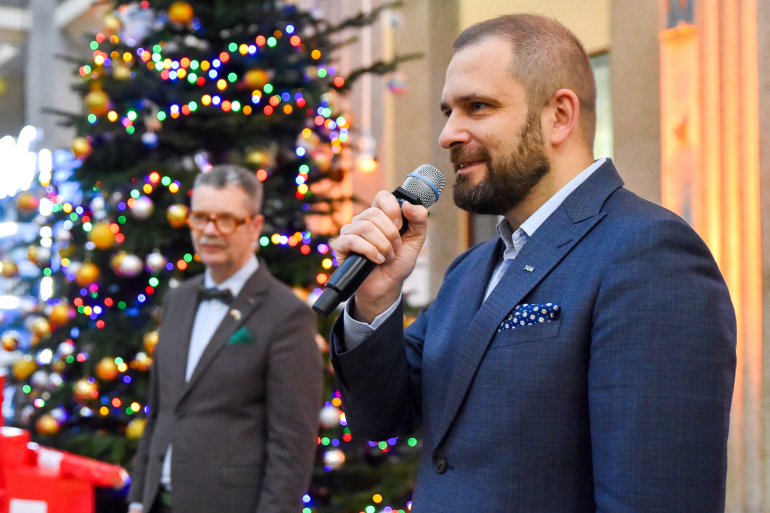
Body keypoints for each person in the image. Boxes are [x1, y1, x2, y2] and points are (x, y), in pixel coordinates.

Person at [329, 14, 736, 512]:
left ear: (559, 115)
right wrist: (375, 299)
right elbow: (381, 418)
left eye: (478, 106)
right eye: (448, 112)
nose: (448, 134)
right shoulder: (468, 271)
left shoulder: (651, 254)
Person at [128, 165, 323, 513]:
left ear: (255, 227)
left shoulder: (287, 315)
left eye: (226, 219)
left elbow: (292, 446)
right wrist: (138, 500)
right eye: (200, 218)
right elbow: (160, 412)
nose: (209, 230)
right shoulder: (177, 299)